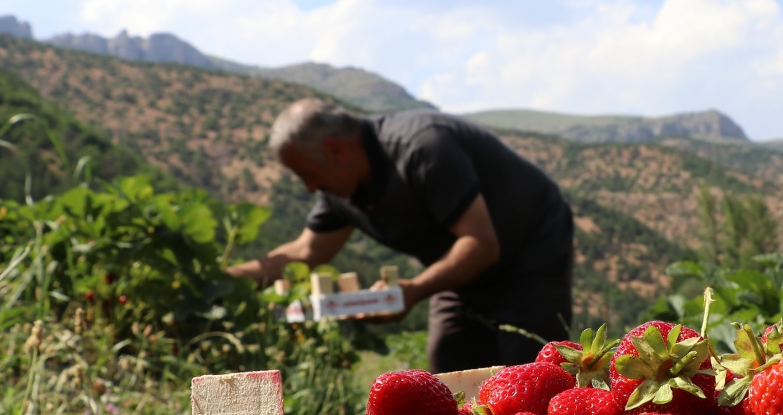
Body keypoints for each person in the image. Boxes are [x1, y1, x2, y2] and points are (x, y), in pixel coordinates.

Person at [228, 99, 574, 373]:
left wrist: (413, 291)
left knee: (531, 377)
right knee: (450, 377)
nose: (309, 187)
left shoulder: (422, 148)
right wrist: (223, 281)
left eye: (306, 173)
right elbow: (307, 251)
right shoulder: (337, 187)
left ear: (335, 150)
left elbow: (481, 245)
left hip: (528, 256)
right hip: (458, 270)